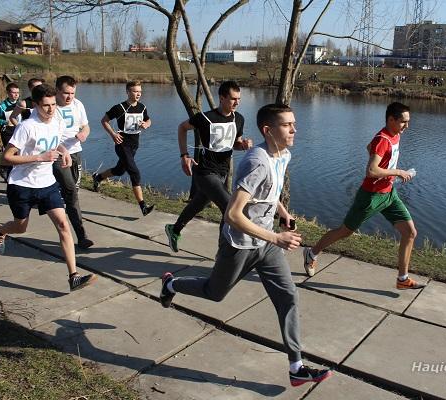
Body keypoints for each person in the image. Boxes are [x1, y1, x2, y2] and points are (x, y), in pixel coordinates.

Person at [159, 104, 333, 387]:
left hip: (266, 245)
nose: (294, 129)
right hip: (239, 244)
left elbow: (271, 191)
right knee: (214, 293)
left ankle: (296, 366)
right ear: (268, 130)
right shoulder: (256, 161)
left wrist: (283, 214)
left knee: (288, 297)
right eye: (287, 125)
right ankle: (171, 285)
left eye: (294, 123)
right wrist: (276, 237)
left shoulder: (283, 155)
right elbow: (232, 213)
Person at [302, 101, 424, 290]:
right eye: (403, 122)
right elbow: (371, 170)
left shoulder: (394, 135)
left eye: (408, 122)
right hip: (370, 196)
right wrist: (398, 172)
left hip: (389, 194)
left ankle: (402, 279)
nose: (407, 126)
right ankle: (312, 252)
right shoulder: (383, 139)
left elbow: (369, 148)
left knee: (410, 233)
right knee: (345, 231)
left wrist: (388, 172)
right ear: (391, 120)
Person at [0, 83, 97, 291]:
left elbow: (55, 143)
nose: (50, 110)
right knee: (21, 227)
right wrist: (39, 157)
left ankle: (73, 277)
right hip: (22, 185)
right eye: (45, 106)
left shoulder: (56, 121)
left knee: (63, 226)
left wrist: (64, 151)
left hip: (47, 184)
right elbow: (6, 157)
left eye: (53, 105)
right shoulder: (26, 126)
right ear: (36, 105)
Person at [164, 81, 253, 253]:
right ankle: (223, 252)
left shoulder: (239, 119)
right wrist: (184, 156)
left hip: (223, 172)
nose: (237, 102)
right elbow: (182, 128)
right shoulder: (205, 118)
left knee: (198, 204)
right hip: (205, 172)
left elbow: (235, 143)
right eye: (233, 99)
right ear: (222, 98)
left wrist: (243, 145)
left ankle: (174, 229)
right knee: (229, 207)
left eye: (239, 99)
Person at [92, 80, 155, 216]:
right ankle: (143, 207)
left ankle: (97, 178)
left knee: (119, 170)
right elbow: (104, 120)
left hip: (134, 145)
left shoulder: (142, 107)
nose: (138, 94)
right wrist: (113, 134)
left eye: (139, 91)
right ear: (127, 91)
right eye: (134, 91)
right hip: (121, 144)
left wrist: (146, 124)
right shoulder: (119, 107)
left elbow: (149, 120)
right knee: (135, 173)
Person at [52, 75, 93, 249]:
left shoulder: (78, 104)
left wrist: (84, 133)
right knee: (71, 191)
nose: (69, 97)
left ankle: (54, 198)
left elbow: (86, 126)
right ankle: (81, 235)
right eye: (66, 93)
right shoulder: (50, 108)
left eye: (72, 93)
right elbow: (46, 136)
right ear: (57, 91)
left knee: (73, 191)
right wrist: (62, 150)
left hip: (76, 153)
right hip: (58, 155)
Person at [0, 82, 20, 181]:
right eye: (13, 92)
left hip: (19, 130)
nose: (16, 95)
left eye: (17, 93)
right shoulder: (2, 106)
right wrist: (5, 122)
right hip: (7, 131)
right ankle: (6, 169)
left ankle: (15, 172)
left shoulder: (21, 104)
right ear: (8, 93)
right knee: (11, 152)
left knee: (20, 152)